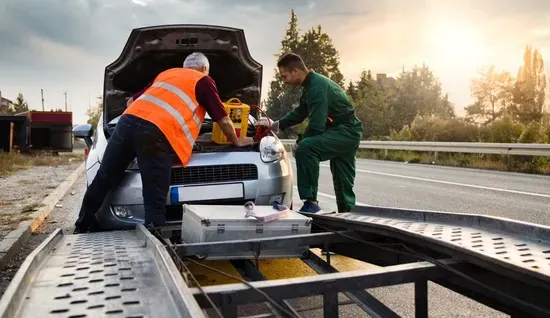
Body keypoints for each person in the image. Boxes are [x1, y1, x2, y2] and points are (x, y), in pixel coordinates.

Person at [74, 52, 254, 233]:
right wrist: (236, 141)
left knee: (103, 178)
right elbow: (223, 120)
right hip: (156, 133)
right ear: (205, 69)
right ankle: (156, 242)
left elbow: (130, 101)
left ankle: (81, 226)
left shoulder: (166, 75)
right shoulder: (203, 80)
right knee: (154, 198)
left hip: (126, 123)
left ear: (184, 67)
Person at [260, 53, 363, 213]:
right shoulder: (311, 85)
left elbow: (316, 125)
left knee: (307, 148)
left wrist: (300, 142)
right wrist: (276, 125)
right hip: (346, 130)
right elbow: (301, 111)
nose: (284, 81)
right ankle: (348, 214)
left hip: (345, 131)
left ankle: (311, 203)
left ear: (295, 71)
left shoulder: (317, 87)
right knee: (343, 179)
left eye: (284, 76)